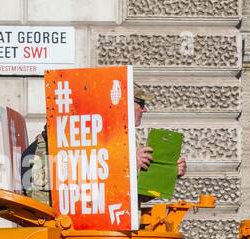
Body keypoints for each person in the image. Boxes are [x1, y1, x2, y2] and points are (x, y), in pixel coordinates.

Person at [22, 85, 185, 205]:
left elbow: (125, 200)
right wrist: (124, 164)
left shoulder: (113, 143)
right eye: (140, 104)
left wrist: (167, 174)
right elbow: (70, 191)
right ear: (123, 104)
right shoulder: (62, 141)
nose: (145, 110)